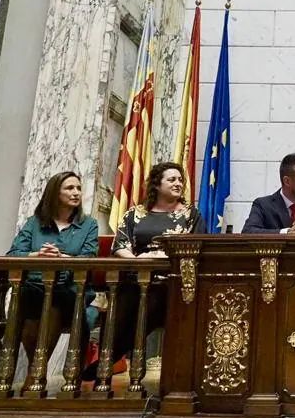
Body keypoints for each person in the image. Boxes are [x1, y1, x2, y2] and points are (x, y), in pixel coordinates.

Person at [87, 162, 206, 381]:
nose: (178, 184)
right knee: (123, 303)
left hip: (172, 281)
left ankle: (112, 356)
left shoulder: (191, 214)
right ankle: (108, 358)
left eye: (180, 180)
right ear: (157, 184)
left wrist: (166, 257)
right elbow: (119, 246)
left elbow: (197, 248)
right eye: (172, 180)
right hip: (135, 277)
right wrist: (138, 261)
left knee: (152, 300)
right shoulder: (135, 213)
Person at [7, 171, 99, 363]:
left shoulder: (89, 224)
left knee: (56, 299)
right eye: (69, 188)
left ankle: (35, 374)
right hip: (35, 286)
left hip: (70, 288)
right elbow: (14, 253)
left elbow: (90, 257)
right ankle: (35, 371)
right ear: (55, 193)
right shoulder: (35, 223)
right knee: (28, 300)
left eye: (79, 188)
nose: (76, 193)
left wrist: (61, 257)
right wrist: (38, 255)